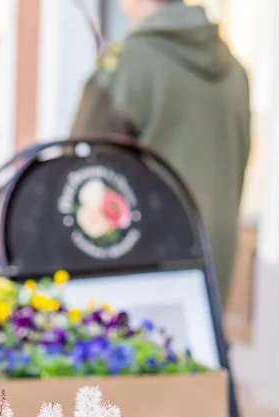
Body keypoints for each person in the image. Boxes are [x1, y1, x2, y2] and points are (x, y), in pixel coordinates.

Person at [71, 0, 251, 304]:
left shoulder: (127, 64)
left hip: (143, 277)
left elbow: (78, 176)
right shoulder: (234, 70)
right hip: (215, 266)